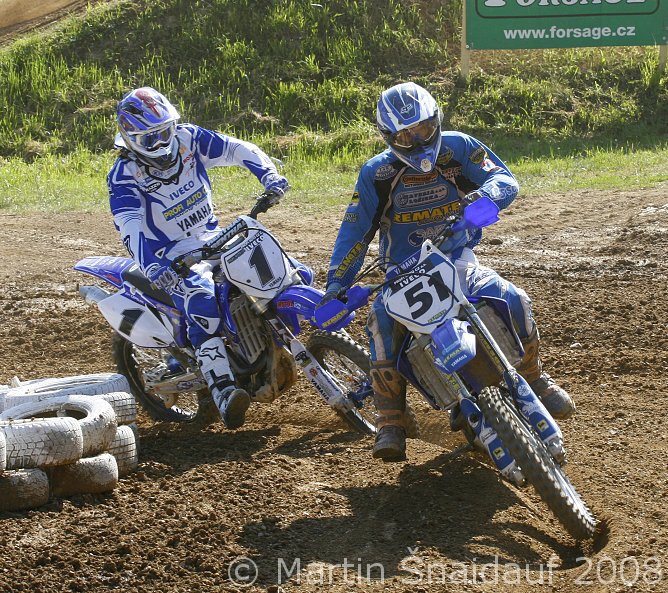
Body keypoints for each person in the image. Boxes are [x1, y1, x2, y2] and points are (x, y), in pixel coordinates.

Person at [320, 82, 575, 462]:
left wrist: (484, 198)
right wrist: (337, 285)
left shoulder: (459, 147)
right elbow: (354, 232)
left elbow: (504, 179)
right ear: (388, 136)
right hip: (401, 272)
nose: (417, 141)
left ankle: (534, 376)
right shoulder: (377, 173)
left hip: (456, 258)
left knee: (513, 297)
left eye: (423, 129)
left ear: (436, 122)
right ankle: (391, 420)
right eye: (405, 136)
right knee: (380, 324)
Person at [108, 87, 289, 429]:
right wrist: (154, 265)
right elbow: (129, 225)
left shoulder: (188, 139)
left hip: (213, 236)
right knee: (203, 303)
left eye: (165, 132)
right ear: (130, 139)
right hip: (172, 256)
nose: (162, 143)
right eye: (150, 139)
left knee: (275, 267)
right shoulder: (124, 174)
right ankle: (224, 391)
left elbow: (236, 149)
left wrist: (269, 175)